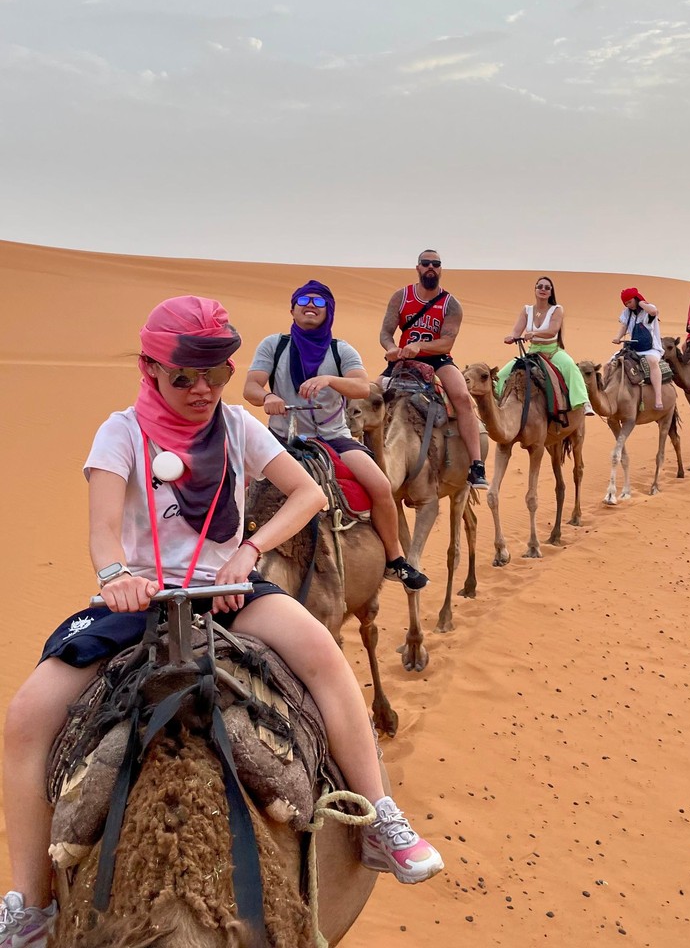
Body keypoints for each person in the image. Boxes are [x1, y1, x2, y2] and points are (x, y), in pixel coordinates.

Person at [0, 299, 443, 948]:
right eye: (185, 377)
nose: (203, 390)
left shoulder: (237, 426)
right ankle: (29, 900)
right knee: (26, 718)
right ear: (152, 369)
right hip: (139, 602)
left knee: (324, 658)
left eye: (217, 373)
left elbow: (308, 494)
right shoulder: (120, 433)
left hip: (235, 593)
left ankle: (381, 819)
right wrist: (117, 574)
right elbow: (102, 532)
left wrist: (248, 551)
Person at [243, 281, 428, 592]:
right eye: (303, 300)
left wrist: (329, 379)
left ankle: (395, 559)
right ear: (292, 308)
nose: (310, 305)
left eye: (319, 301)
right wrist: (267, 397)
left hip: (333, 438)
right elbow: (251, 386)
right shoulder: (273, 346)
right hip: (280, 438)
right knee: (235, 484)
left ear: (329, 311)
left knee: (381, 486)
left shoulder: (340, 350)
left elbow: (361, 387)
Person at [379, 251, 488, 489]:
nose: (431, 267)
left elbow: (447, 342)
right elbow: (386, 333)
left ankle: (476, 465)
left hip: (438, 360)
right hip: (402, 359)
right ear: (418, 267)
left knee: (462, 397)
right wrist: (391, 348)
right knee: (370, 395)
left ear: (440, 269)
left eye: (436, 264)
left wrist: (420, 347)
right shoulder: (401, 297)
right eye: (426, 263)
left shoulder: (451, 305)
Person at [495, 276, 589, 410]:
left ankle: (583, 402)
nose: (543, 289)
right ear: (535, 290)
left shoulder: (557, 309)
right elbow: (516, 331)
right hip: (532, 352)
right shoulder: (527, 310)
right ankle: (496, 404)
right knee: (502, 375)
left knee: (570, 366)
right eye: (540, 286)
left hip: (552, 352)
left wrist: (534, 334)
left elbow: (552, 330)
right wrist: (511, 338)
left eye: (547, 287)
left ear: (551, 292)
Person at [613, 288, 664, 410]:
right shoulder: (626, 313)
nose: (628, 305)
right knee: (612, 361)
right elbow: (623, 326)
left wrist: (640, 301)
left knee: (652, 361)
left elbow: (653, 312)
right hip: (633, 347)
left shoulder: (647, 308)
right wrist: (617, 337)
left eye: (630, 302)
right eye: (626, 303)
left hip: (651, 348)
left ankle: (658, 398)